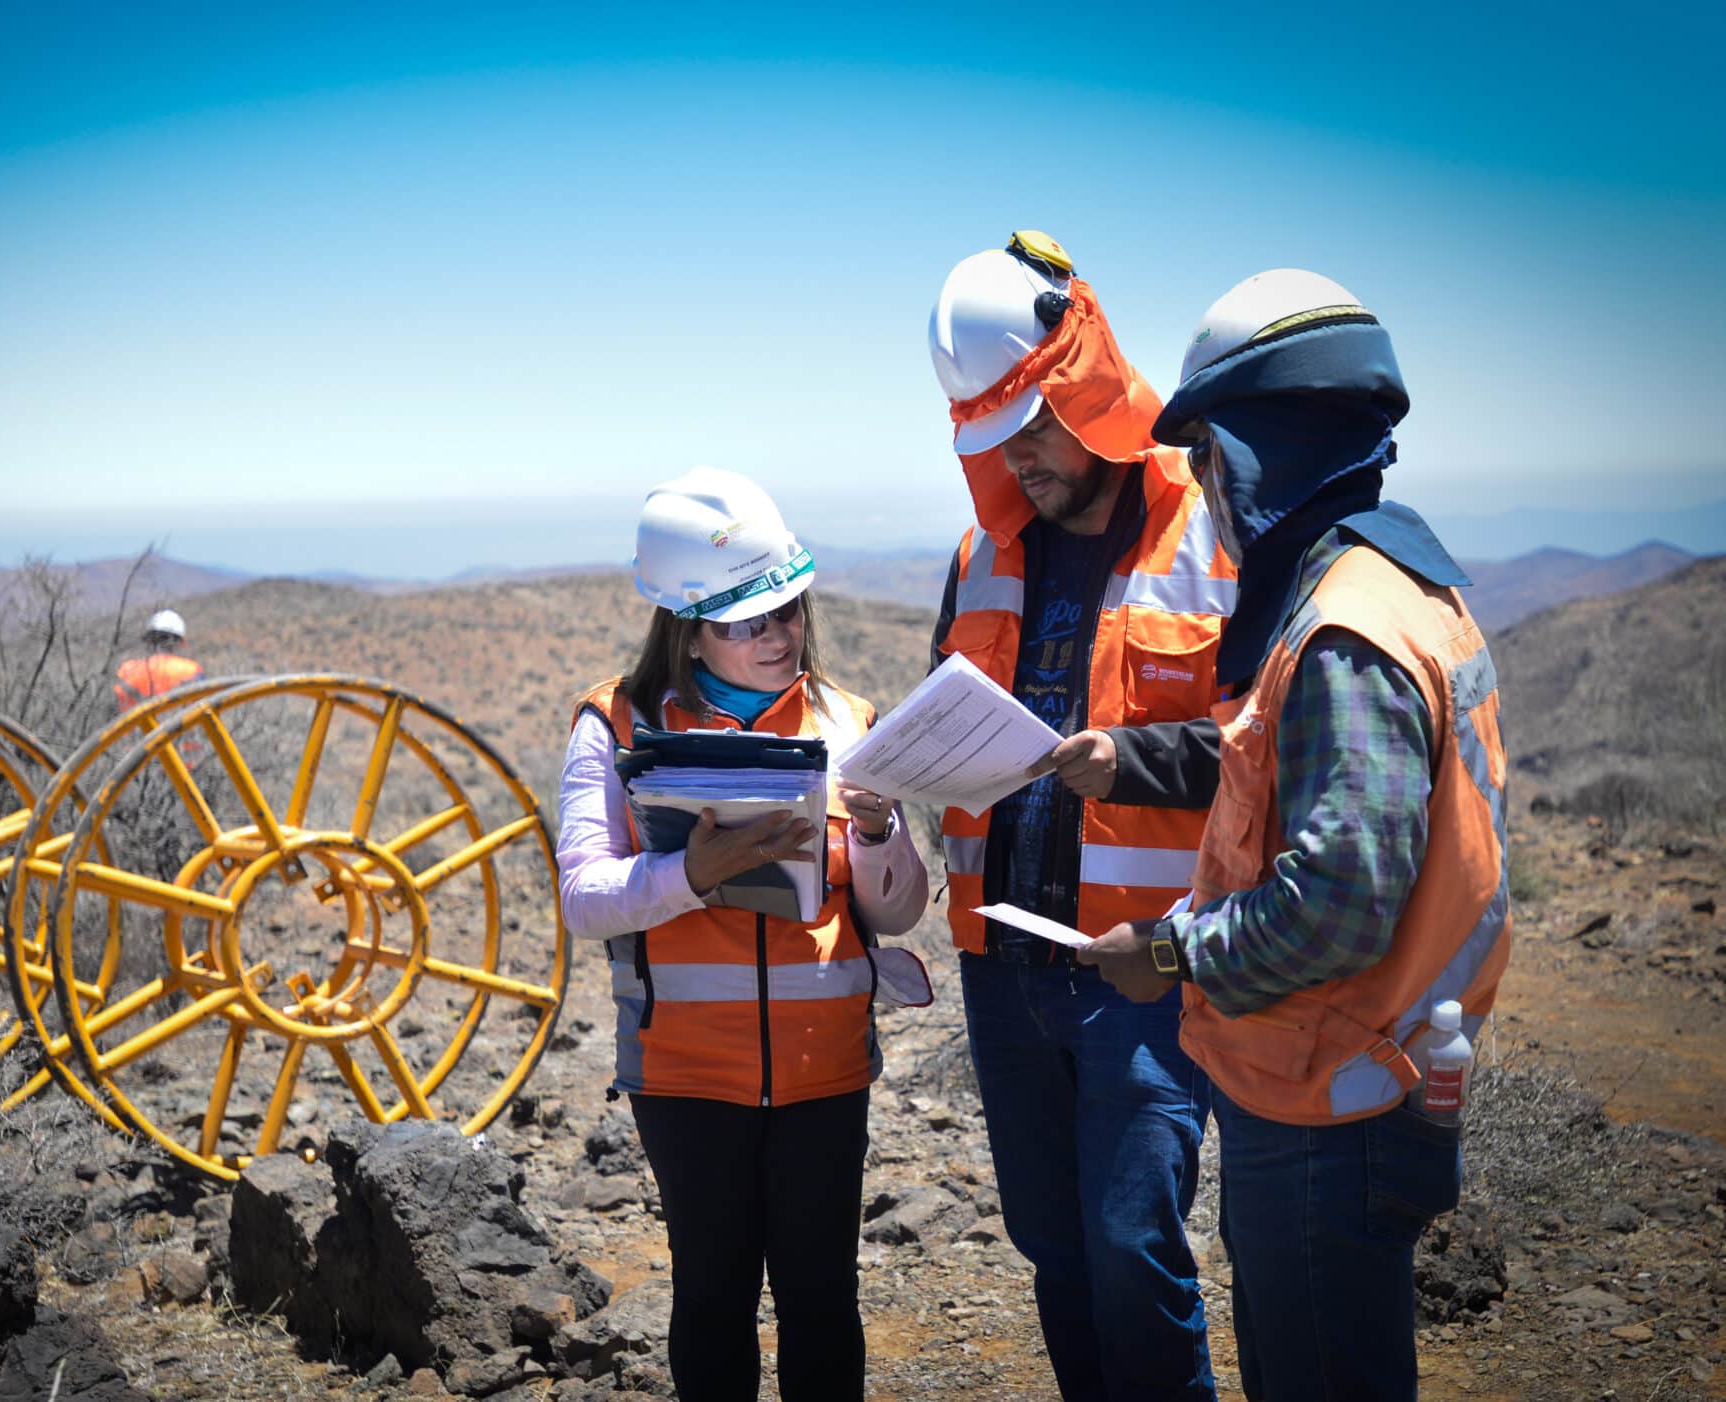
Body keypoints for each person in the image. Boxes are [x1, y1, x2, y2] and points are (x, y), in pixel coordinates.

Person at [1081, 270, 1509, 1399]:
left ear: (1265, 442)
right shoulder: (1405, 581)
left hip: (1334, 1095)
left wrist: (1167, 950)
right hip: (1374, 1065)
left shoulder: (1343, 630)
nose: (1205, 487)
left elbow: (1337, 902)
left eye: (1212, 455)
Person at [925, 232, 1235, 1400]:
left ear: (1088, 387)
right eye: (992, 436)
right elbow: (949, 712)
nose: (1018, 458)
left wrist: (1136, 761)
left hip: (1143, 967)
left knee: (1131, 1247)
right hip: (1004, 965)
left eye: (1034, 427)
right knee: (1054, 1248)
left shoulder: (1209, 530)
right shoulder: (981, 548)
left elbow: (1267, 746)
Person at [558, 466, 930, 1401]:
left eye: (788, 611)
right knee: (712, 1300)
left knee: (822, 1302)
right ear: (686, 629)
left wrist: (881, 831)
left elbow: (896, 911)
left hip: (826, 1068)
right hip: (686, 1074)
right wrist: (694, 874)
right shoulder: (615, 724)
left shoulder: (850, 722)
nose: (778, 636)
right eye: (745, 621)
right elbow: (583, 895)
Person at [113, 608, 203, 713]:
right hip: (181, 727)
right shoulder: (191, 670)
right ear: (179, 642)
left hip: (135, 728)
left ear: (148, 640)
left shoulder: (127, 669)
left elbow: (113, 710)